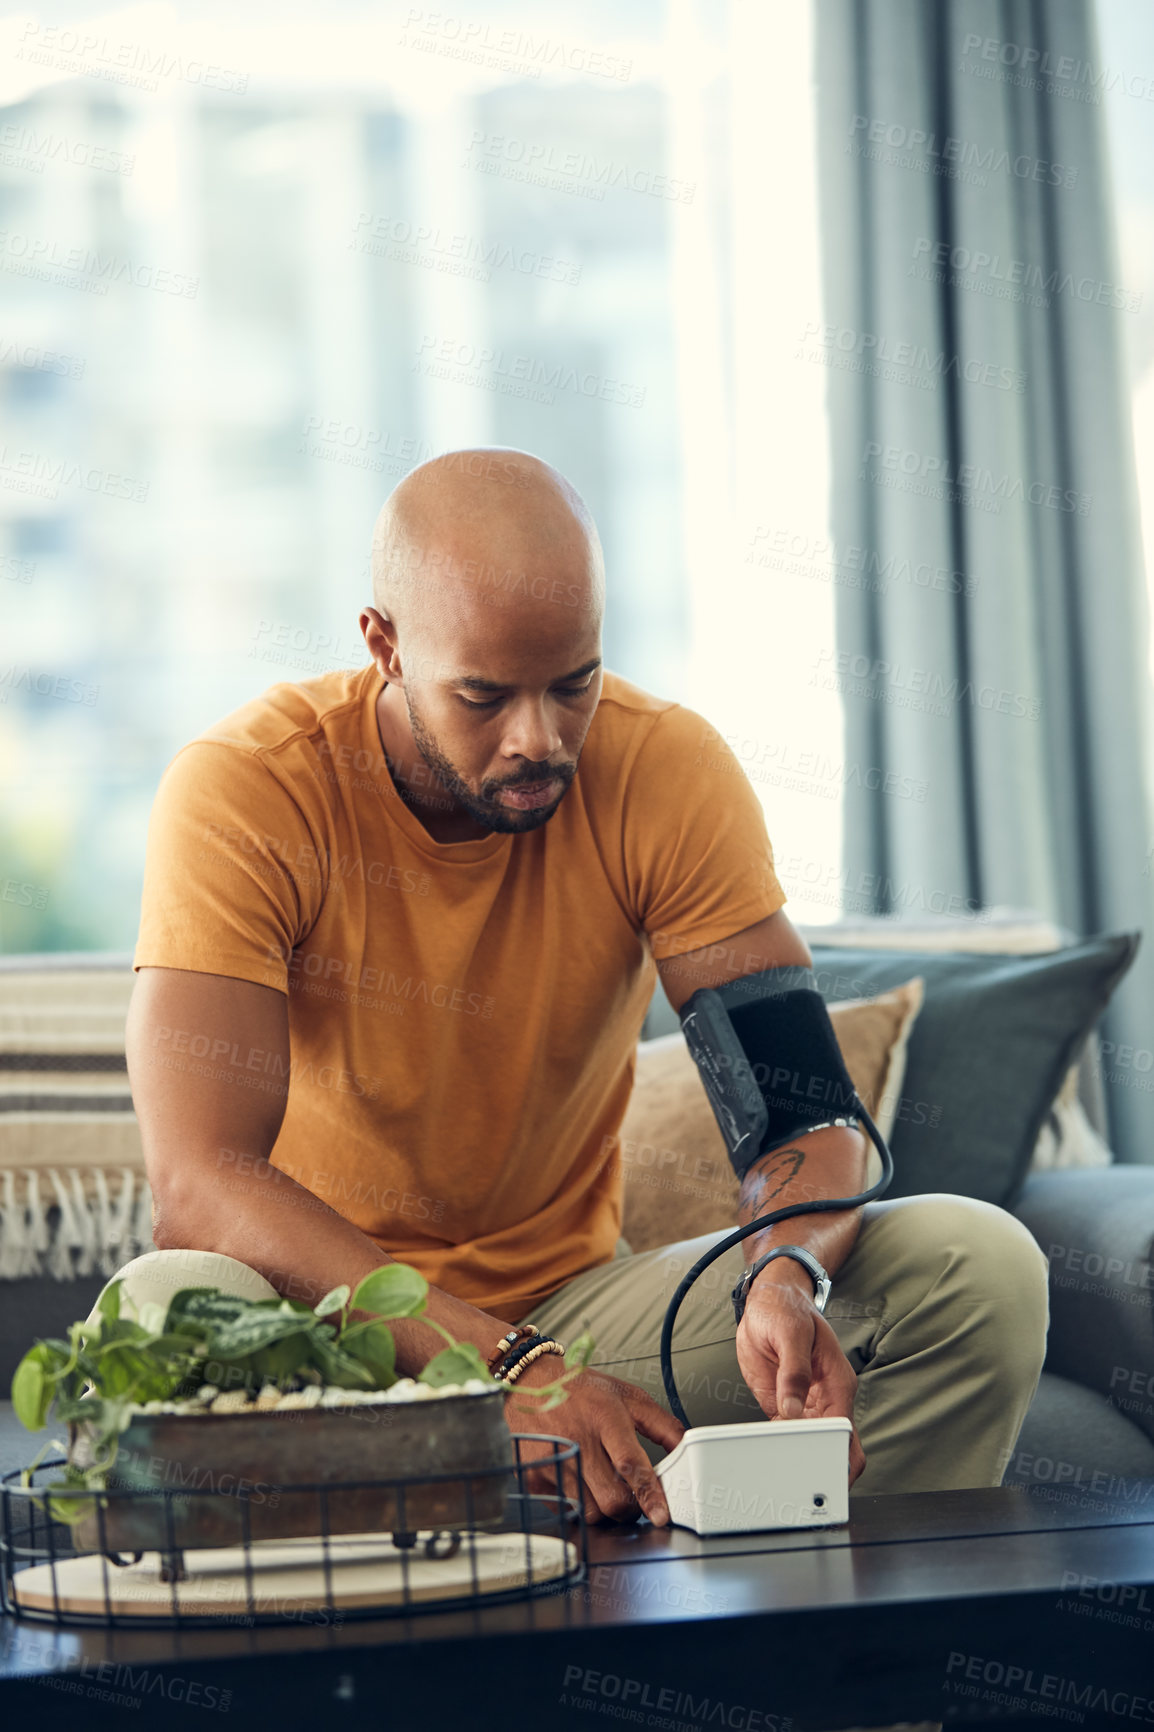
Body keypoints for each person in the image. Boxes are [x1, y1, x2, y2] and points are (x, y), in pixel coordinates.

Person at [113, 447, 1049, 1528]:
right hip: (321, 1331)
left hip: (574, 1316)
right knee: (162, 1307)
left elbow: (802, 1112)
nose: (538, 739)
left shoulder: (663, 770)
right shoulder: (247, 789)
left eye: (573, 683)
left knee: (974, 1268)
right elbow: (201, 1179)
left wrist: (783, 1272)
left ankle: (829, 1672)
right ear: (383, 644)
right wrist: (507, 1370)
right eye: (483, 695)